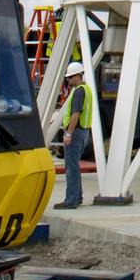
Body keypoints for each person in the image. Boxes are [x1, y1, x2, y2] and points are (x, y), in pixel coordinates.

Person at [54, 61, 93, 210]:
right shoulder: (87, 90)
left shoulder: (78, 91)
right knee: (75, 165)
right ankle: (77, 197)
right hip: (84, 132)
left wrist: (68, 133)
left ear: (78, 76)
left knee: (71, 167)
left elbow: (75, 114)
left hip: (76, 132)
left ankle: (71, 200)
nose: (69, 81)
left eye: (71, 78)